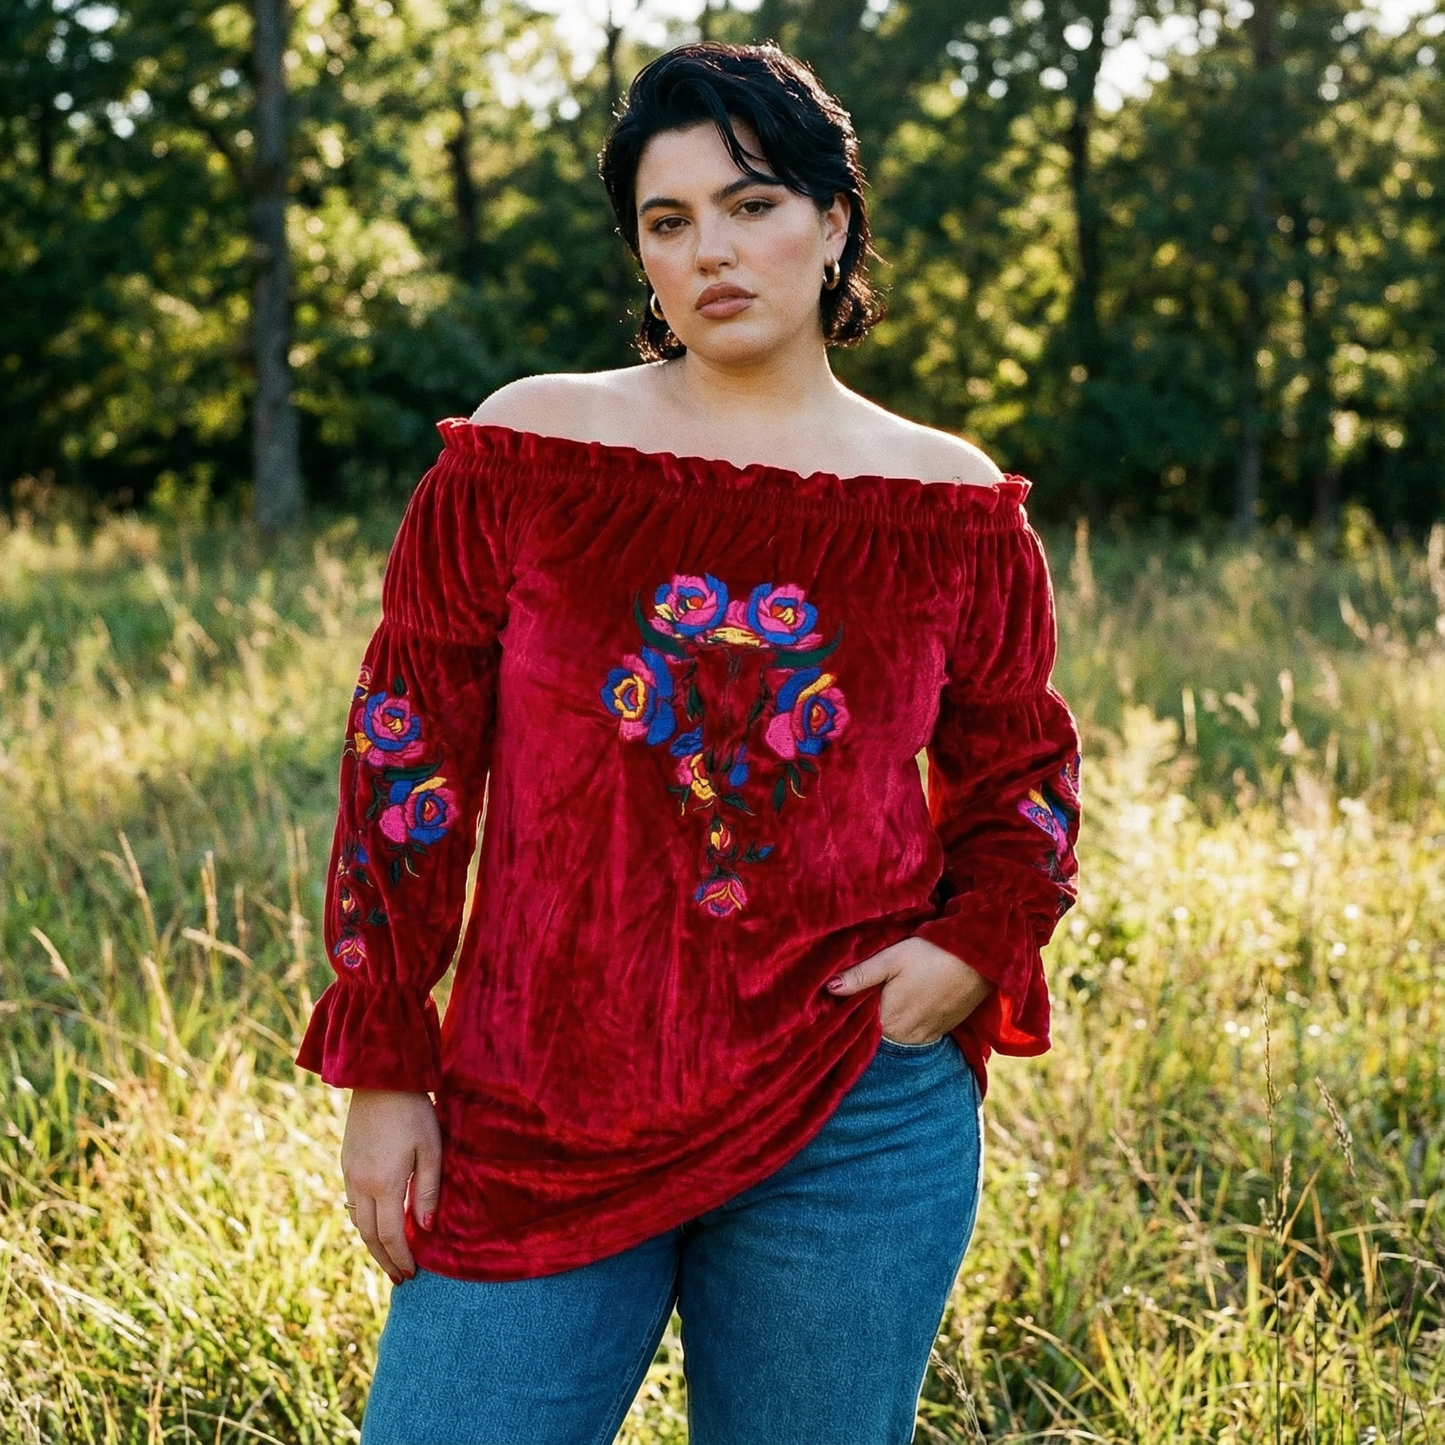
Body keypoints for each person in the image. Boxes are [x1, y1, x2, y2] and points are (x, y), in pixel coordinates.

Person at [296, 39, 1081, 1445]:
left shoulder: (951, 503)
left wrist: (971, 950)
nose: (713, 250)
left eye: (753, 203)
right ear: (641, 256)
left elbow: (1022, 777)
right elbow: (402, 766)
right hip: (543, 1101)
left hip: (848, 1111)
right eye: (670, 222)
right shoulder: (528, 455)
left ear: (835, 223)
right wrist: (386, 1068)